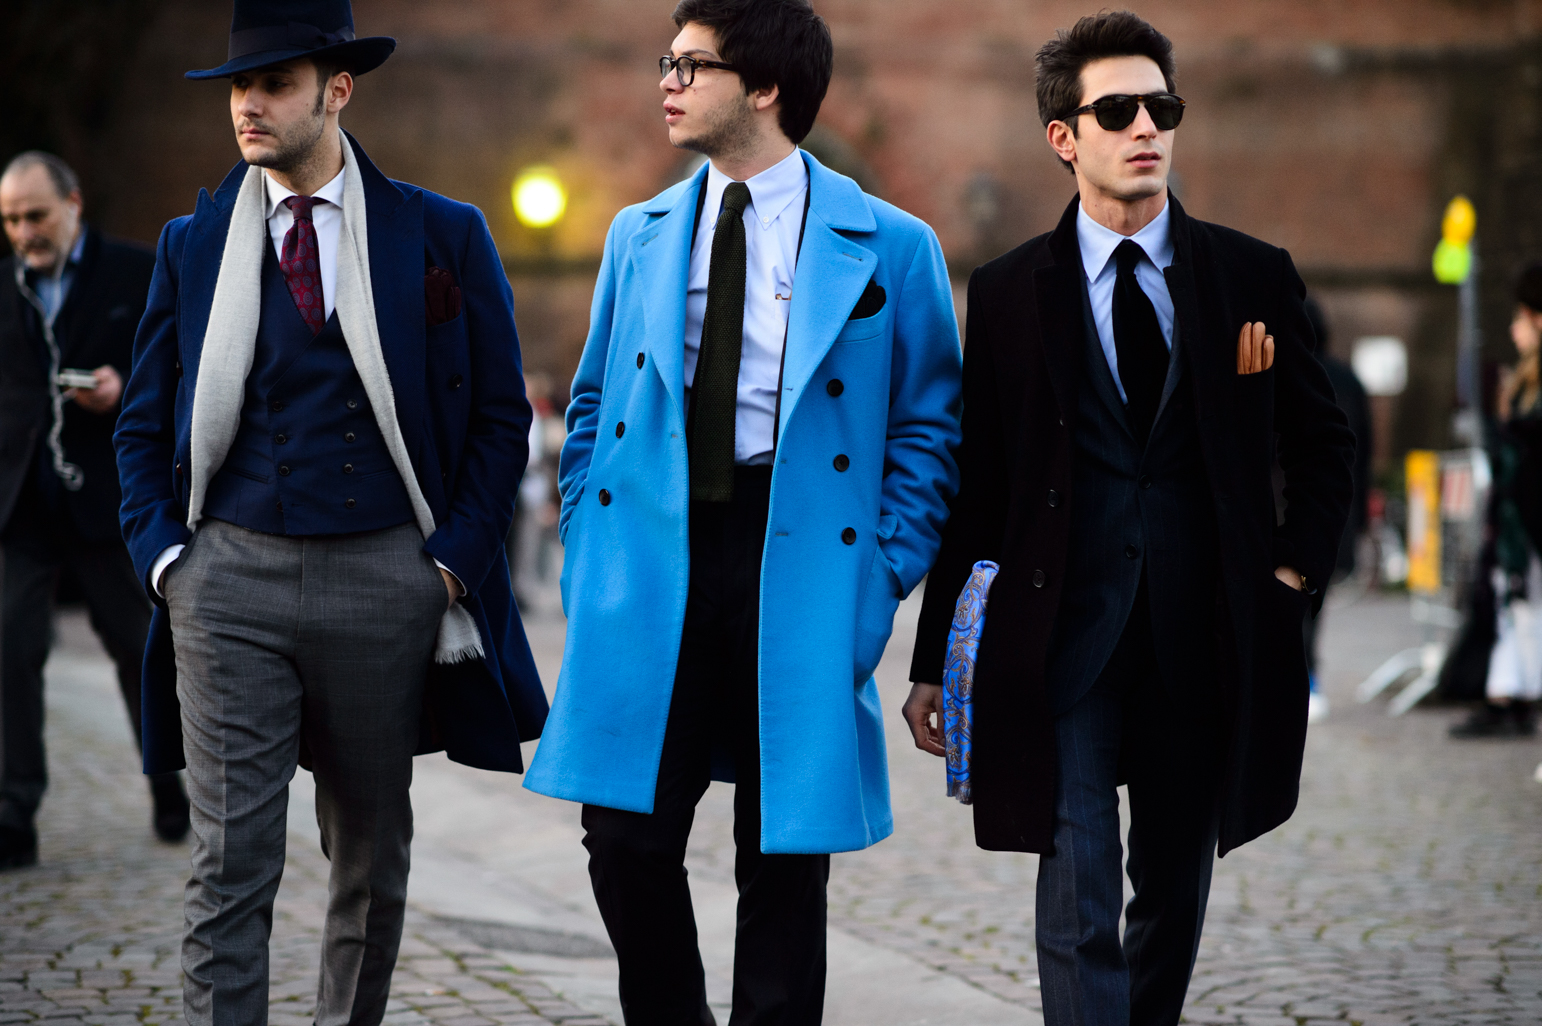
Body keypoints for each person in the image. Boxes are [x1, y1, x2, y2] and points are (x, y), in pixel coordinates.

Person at [901, 12, 1353, 1025]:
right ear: (1064, 137)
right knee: (1076, 888)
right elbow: (982, 488)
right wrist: (934, 660)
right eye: (1118, 111)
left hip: (1203, 635)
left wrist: (1289, 576)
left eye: (1162, 107)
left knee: (1173, 888)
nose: (1147, 127)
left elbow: (1323, 446)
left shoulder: (1250, 275)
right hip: (1060, 635)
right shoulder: (1008, 292)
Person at [523, 0, 963, 1020]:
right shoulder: (637, 234)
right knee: (621, 833)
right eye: (666, 62)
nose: (667, 82)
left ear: (764, 88)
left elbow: (930, 430)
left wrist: (878, 577)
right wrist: (591, 551)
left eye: (692, 65)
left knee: (785, 849)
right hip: (656, 553)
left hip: (802, 556)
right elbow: (591, 405)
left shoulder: (895, 246)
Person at [112, 2, 546, 1023]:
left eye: (274, 84)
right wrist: (167, 561)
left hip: (385, 578)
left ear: (337, 91)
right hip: (227, 580)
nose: (248, 105)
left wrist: (450, 566)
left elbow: (500, 417)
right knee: (229, 861)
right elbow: (142, 422)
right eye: (238, 86)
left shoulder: (441, 232)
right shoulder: (193, 243)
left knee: (370, 857)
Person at [0, 151, 189, 868]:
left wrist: (124, 385)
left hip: (111, 500)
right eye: (11, 220)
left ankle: (168, 785)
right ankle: (14, 812)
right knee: (11, 652)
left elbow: (180, 367)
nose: (24, 232)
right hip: (21, 505)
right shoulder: (4, 285)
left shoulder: (138, 271)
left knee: (139, 649)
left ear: (73, 204)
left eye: (36, 215)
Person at [1450, 263, 1542, 738]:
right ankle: (1508, 694)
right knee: (1515, 609)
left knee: (1526, 609)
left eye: (1521, 317)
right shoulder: (1524, 382)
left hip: (1529, 519)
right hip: (1516, 520)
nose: (1513, 328)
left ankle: (1516, 695)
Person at [1300, 296, 1372, 722]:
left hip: (1286, 505)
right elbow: (1365, 449)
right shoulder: (1348, 379)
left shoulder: (1290, 374)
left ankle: (1302, 675)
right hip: (1337, 508)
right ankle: (1308, 676)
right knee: (1314, 598)